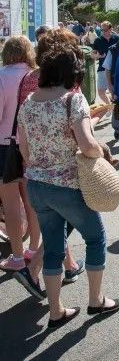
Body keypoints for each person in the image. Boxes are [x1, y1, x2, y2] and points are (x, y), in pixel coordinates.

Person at [17, 31, 119, 328]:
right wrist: (95, 149)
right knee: (95, 237)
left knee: (52, 246)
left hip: (37, 184)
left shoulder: (28, 104)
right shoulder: (72, 100)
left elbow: (25, 150)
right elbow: (88, 145)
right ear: (70, 72)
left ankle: (55, 311)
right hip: (67, 184)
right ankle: (96, 300)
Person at [0, 37, 41, 271]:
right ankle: (34, 247)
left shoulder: (2, 76)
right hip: (30, 145)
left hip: (4, 146)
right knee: (31, 201)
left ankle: (16, 256)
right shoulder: (36, 76)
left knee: (11, 204)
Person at [91, 21, 119, 105]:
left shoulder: (117, 39)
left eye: (105, 30)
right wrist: (98, 56)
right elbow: (92, 54)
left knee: (114, 91)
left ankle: (117, 108)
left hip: (115, 69)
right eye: (101, 30)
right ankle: (109, 106)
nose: (103, 32)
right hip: (102, 68)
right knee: (100, 91)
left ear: (111, 29)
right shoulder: (98, 40)